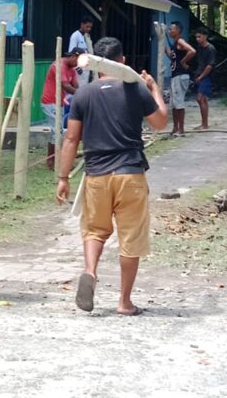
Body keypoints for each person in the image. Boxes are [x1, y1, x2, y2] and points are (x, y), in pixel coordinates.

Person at [55, 37, 167, 316]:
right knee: (131, 238)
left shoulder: (84, 94)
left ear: (95, 65)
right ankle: (124, 302)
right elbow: (160, 123)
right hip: (130, 174)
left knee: (94, 231)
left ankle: (90, 271)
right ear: (122, 61)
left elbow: (71, 139)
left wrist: (63, 177)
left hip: (96, 176)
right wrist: (154, 89)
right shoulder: (136, 89)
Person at [40, 47, 83, 169]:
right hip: (50, 101)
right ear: (73, 57)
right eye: (78, 61)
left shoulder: (71, 68)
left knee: (56, 132)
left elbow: (75, 85)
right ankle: (54, 162)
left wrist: (82, 92)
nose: (78, 65)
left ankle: (52, 160)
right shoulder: (59, 65)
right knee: (57, 132)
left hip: (59, 102)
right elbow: (66, 86)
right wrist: (82, 94)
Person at [164, 21, 196, 136]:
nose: (169, 31)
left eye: (171, 29)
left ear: (177, 30)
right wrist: (164, 47)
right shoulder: (175, 44)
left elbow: (192, 51)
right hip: (175, 75)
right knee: (174, 103)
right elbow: (173, 58)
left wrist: (183, 61)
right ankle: (175, 128)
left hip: (180, 75)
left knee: (179, 102)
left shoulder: (180, 41)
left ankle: (181, 130)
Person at [194, 27, 216, 130]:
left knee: (200, 98)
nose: (197, 39)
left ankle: (205, 124)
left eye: (199, 37)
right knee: (203, 100)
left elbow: (209, 66)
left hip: (207, 76)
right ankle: (204, 123)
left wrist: (201, 76)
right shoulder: (199, 48)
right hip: (200, 74)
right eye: (196, 37)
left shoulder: (210, 49)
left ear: (205, 36)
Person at [69, 16, 94, 88]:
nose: (89, 29)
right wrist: (77, 68)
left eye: (90, 27)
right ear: (82, 24)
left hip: (86, 69)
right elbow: (71, 53)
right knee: (78, 89)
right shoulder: (75, 36)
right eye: (87, 27)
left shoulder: (87, 36)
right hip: (78, 70)